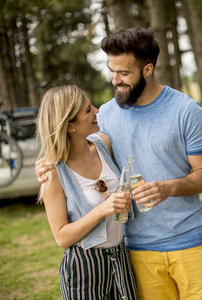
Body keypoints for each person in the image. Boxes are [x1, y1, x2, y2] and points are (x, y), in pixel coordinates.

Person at [36, 27, 202, 300]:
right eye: (112, 70)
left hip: (189, 242)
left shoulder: (187, 111)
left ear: (147, 69)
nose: (115, 80)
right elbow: (75, 149)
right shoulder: (106, 115)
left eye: (124, 73)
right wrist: (47, 163)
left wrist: (168, 188)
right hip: (135, 250)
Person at [36, 85, 137, 299]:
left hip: (120, 258)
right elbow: (62, 237)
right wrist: (102, 210)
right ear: (70, 125)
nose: (97, 111)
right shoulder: (53, 173)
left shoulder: (104, 145)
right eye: (87, 110)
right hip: (84, 268)